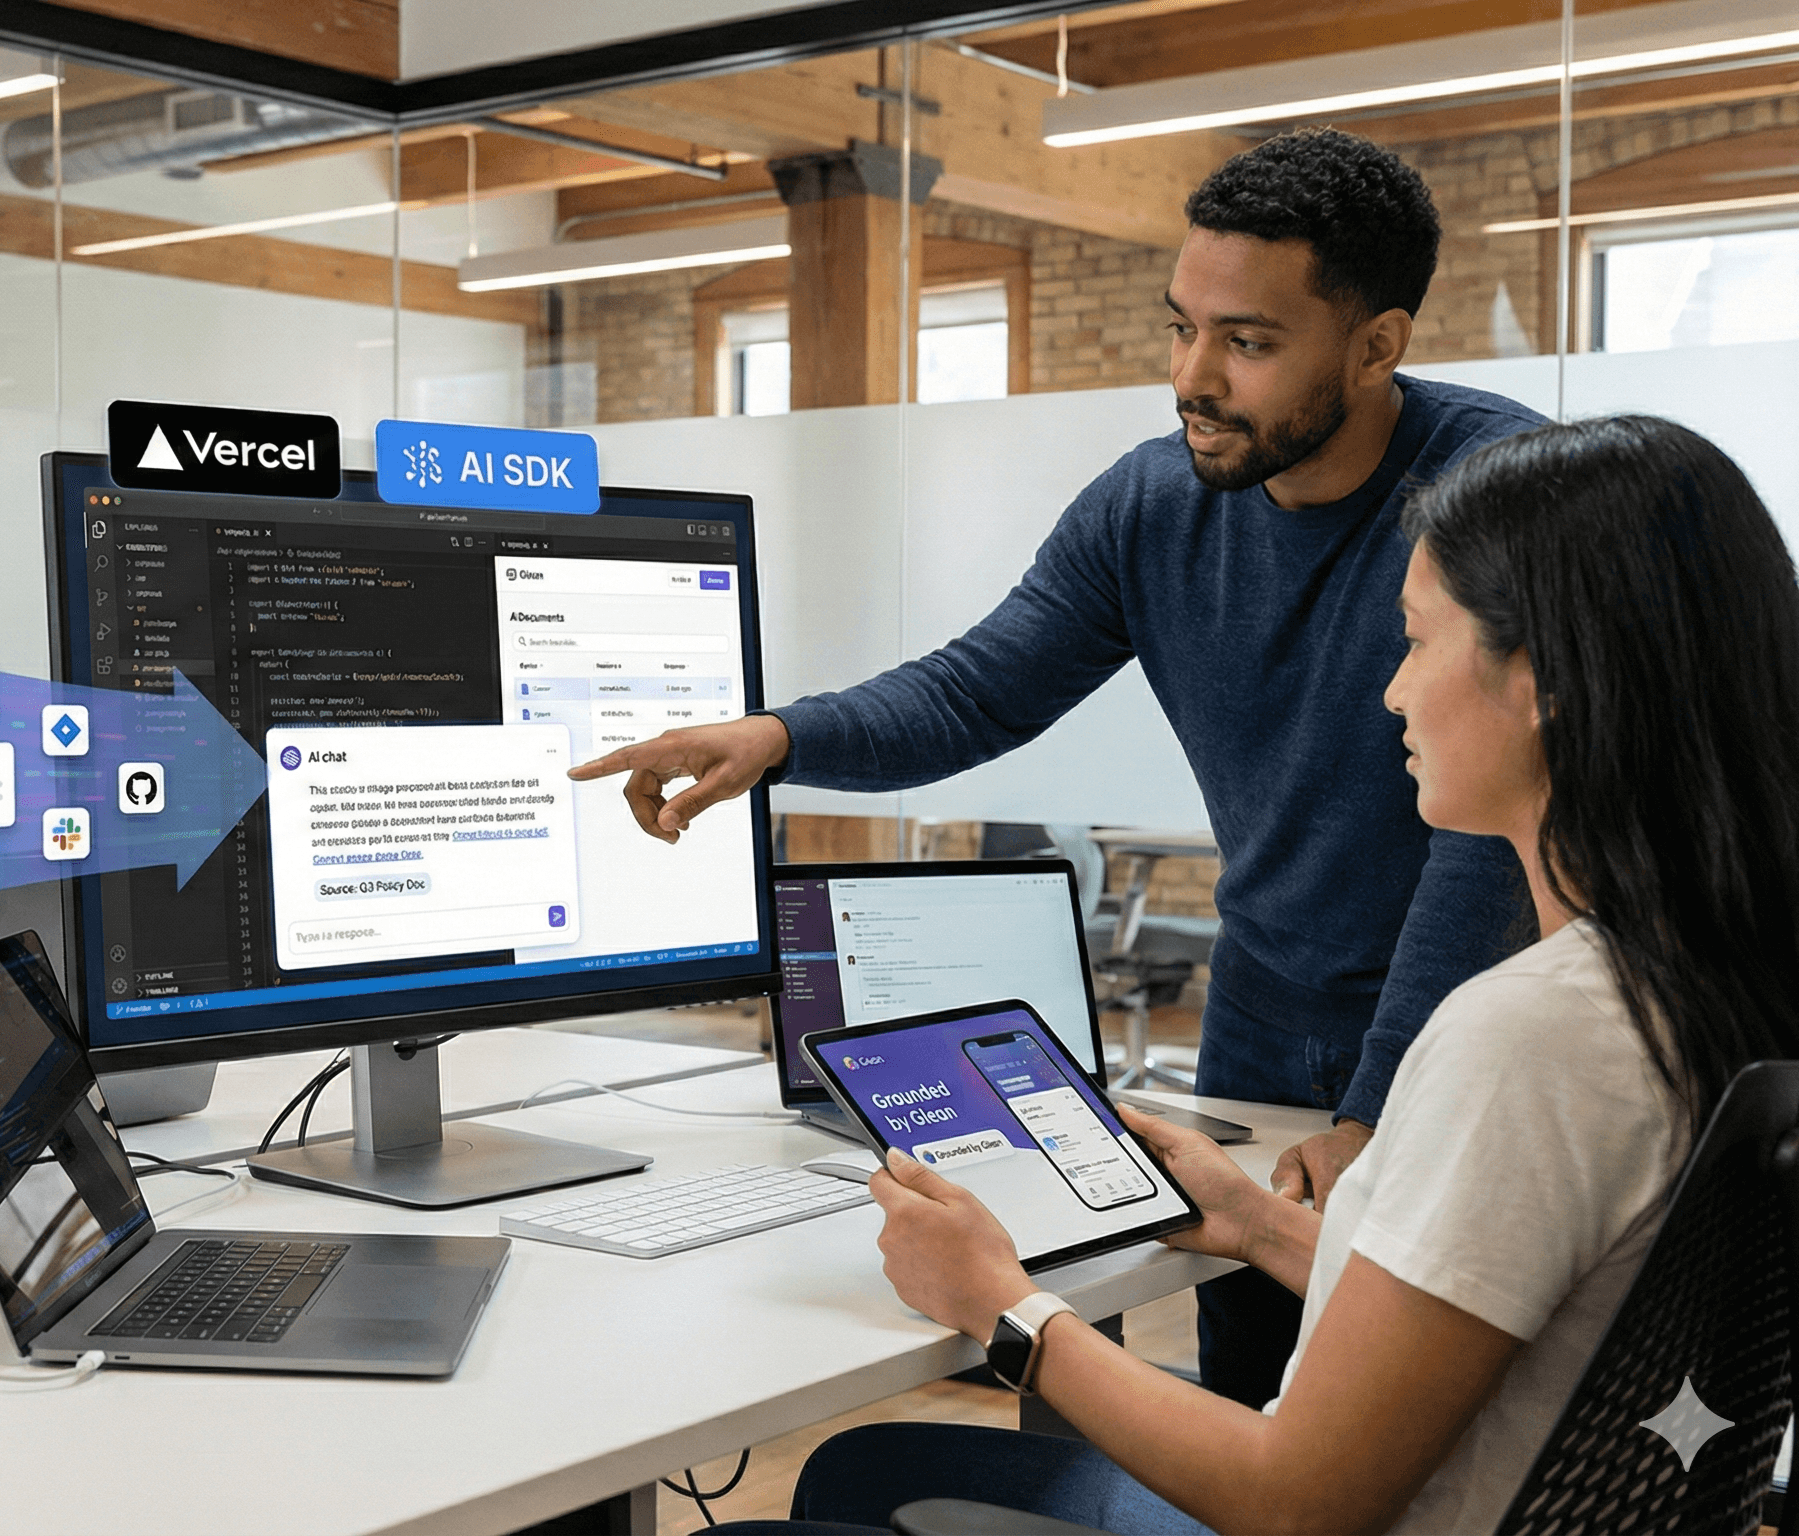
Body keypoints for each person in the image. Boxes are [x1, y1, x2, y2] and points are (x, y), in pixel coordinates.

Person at [571, 127, 1539, 1403]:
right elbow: (978, 690)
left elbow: (1483, 848)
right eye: (1178, 327)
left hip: (1458, 1023)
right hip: (1260, 1009)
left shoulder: (1496, 495)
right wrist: (779, 737)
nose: (1192, 376)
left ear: (1376, 345)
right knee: (1254, 1384)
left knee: (1413, 1413)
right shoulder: (1152, 505)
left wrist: (1373, 1108)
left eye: (1246, 343)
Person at [717, 415, 1799, 1534]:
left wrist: (1001, 1303)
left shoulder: (1528, 1037)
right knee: (864, 1477)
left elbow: (1298, 1499)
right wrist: (1252, 1225)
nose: (1391, 694)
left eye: (1417, 643)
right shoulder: (1698, 981)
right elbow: (1514, 1315)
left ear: (1543, 682)